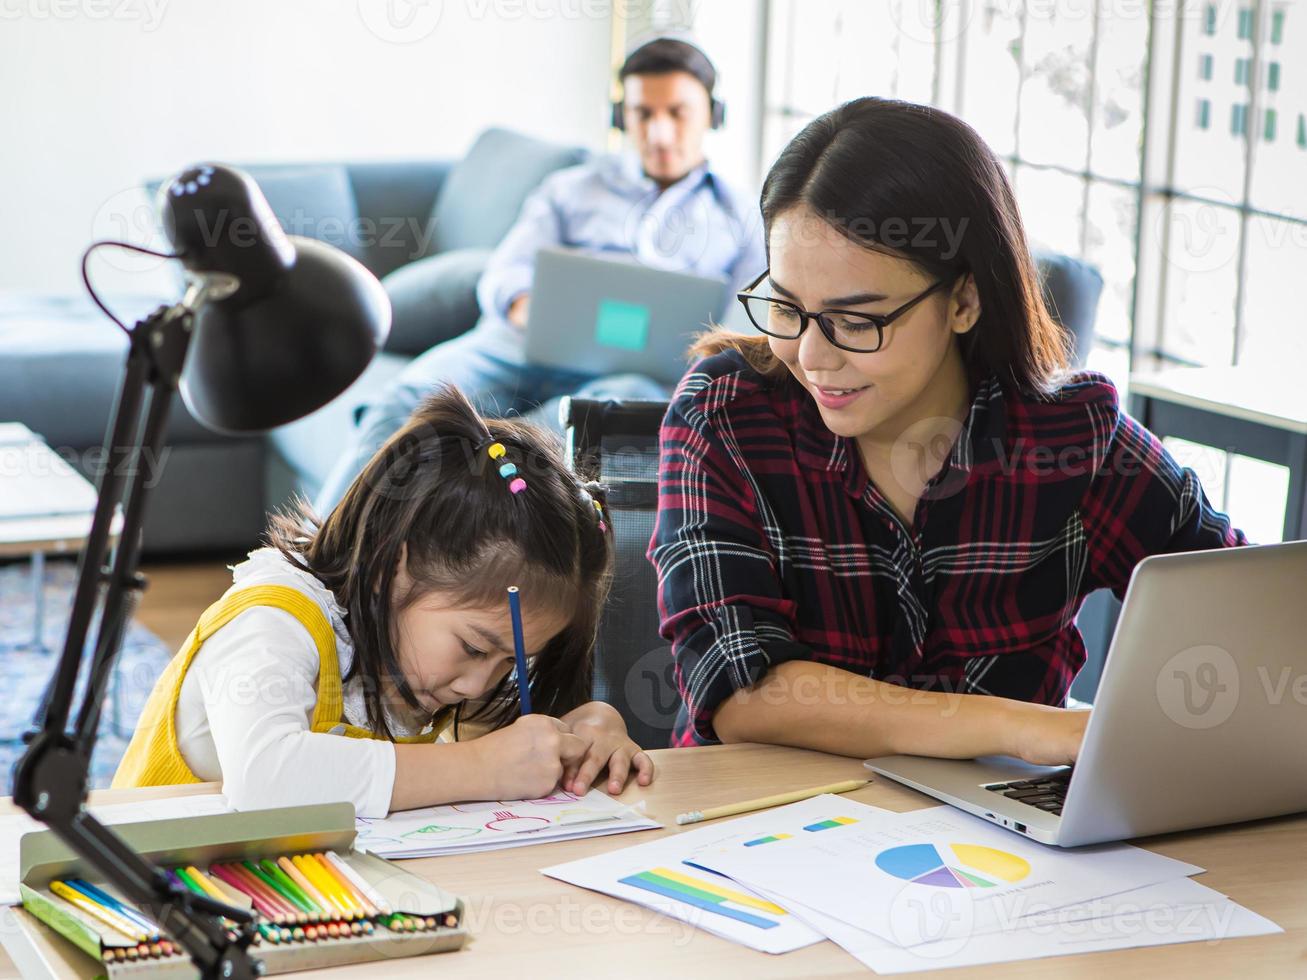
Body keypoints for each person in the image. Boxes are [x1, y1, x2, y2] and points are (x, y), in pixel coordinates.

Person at [649, 97, 1247, 759]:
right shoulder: (727, 413)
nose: (813, 357)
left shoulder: (1070, 437)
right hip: (750, 827)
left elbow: (1243, 607)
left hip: (1001, 845)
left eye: (856, 321)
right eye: (786, 308)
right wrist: (1021, 727)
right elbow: (742, 694)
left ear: (962, 299)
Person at [115, 386, 654, 816]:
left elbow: (509, 738)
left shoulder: (427, 660)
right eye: (472, 647)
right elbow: (265, 777)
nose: (478, 684)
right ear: (395, 563)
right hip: (149, 904)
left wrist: (588, 727)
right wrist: (483, 766)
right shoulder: (274, 618)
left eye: (512, 661)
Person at [315, 36, 765, 513]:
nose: (658, 132)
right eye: (642, 113)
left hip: (631, 375)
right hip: (520, 346)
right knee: (410, 398)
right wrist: (530, 310)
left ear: (712, 116)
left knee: (602, 415)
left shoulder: (740, 217)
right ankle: (312, 560)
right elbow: (504, 272)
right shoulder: (571, 189)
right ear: (620, 116)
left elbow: (745, 328)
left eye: (677, 113)